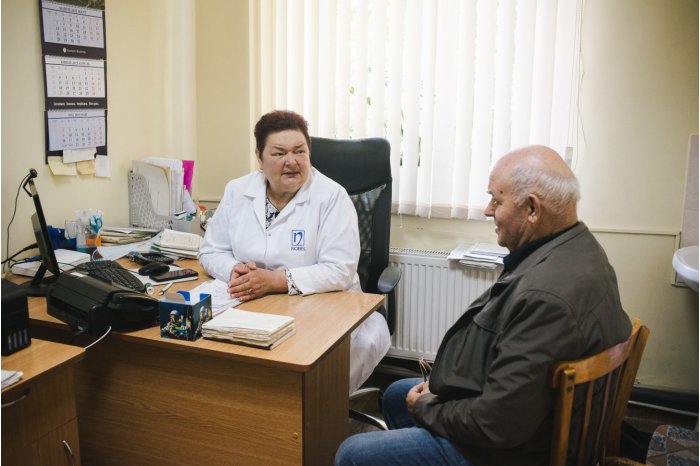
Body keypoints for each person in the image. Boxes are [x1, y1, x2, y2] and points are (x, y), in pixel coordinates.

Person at [335, 145, 632, 466]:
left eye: (497, 200)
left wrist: (429, 406)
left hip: (512, 451)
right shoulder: (580, 248)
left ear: (533, 208)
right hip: (530, 414)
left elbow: (498, 424)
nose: (488, 210)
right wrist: (446, 389)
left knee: (353, 454)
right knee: (396, 395)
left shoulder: (546, 297)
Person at [199, 110, 390, 393]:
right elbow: (211, 250)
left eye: (299, 151)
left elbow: (339, 269)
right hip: (252, 305)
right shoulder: (238, 191)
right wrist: (235, 270)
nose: (291, 161)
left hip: (323, 308)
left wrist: (274, 280)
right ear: (259, 157)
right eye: (279, 153)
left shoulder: (331, 197)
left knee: (301, 378)